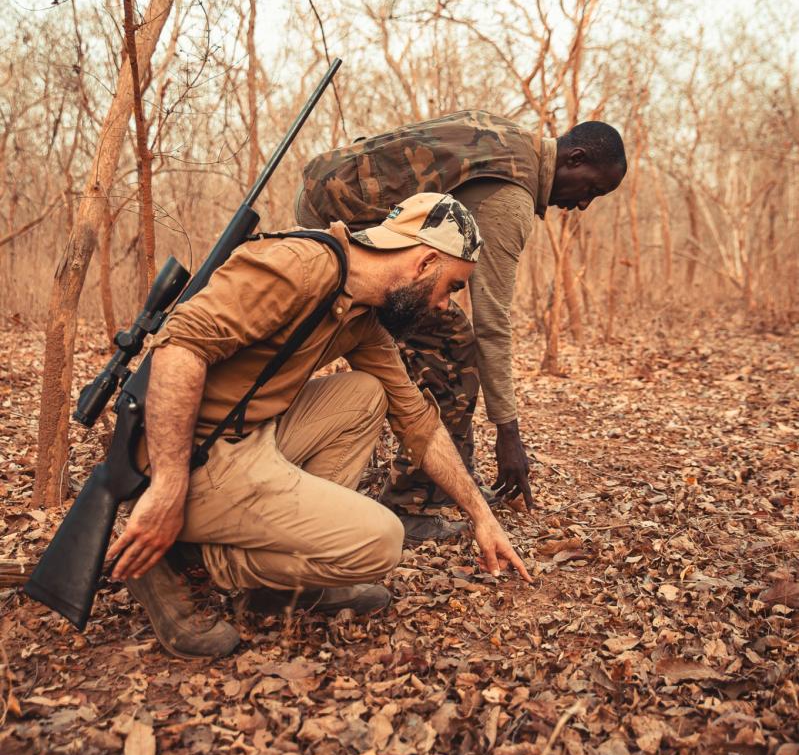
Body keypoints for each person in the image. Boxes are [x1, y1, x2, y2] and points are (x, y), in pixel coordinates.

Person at [106, 192, 532, 659]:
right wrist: (167, 488)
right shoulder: (301, 265)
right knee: (381, 542)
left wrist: (480, 515)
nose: (445, 305)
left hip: (252, 433)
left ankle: (286, 582)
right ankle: (178, 562)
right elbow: (178, 347)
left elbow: (416, 419)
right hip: (190, 453)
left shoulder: (362, 313)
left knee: (367, 394)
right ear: (425, 262)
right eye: (451, 286)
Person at [296, 111, 627, 541]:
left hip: (325, 204)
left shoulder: (509, 139)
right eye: (592, 190)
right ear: (575, 159)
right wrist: (509, 433)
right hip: (345, 230)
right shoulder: (511, 197)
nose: (583, 203)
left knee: (446, 338)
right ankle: (413, 507)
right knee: (452, 345)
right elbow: (493, 321)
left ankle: (451, 476)